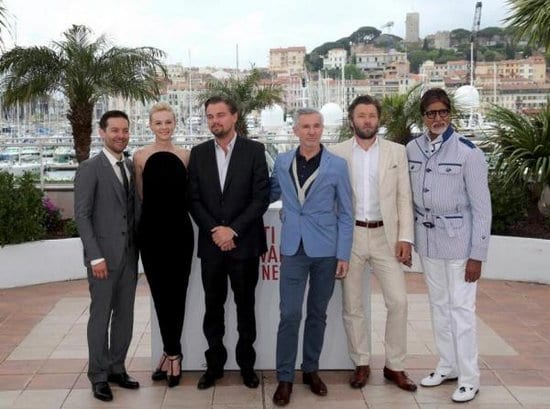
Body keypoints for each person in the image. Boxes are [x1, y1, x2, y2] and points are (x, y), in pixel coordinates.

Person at [406, 88, 491, 403]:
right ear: (423, 117)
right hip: (428, 244)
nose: (437, 118)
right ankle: (447, 365)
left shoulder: (468, 152)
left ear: (450, 113)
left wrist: (477, 255)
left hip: (459, 246)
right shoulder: (412, 149)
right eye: (431, 113)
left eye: (442, 112)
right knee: (438, 308)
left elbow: (482, 209)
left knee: (461, 312)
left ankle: (470, 378)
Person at [330, 95, 417, 392]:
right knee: (353, 305)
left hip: (386, 237)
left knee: (399, 302)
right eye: (361, 115)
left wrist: (405, 237)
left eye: (371, 115)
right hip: (350, 236)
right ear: (352, 120)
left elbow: (405, 198)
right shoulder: (337, 152)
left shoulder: (397, 152)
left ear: (379, 119)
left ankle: (395, 366)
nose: (367, 120)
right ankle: (361, 363)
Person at [270, 108, 353, 406]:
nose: (311, 131)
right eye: (305, 126)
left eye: (316, 126)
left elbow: (346, 213)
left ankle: (311, 370)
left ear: (322, 129)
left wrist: (343, 253)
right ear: (295, 131)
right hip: (293, 249)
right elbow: (269, 193)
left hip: (326, 252)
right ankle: (284, 377)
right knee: (289, 314)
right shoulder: (281, 162)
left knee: (318, 314)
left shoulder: (337, 166)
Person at [188, 95, 269, 390]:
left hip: (245, 245)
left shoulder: (255, 151)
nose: (215, 121)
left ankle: (247, 366)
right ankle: (214, 366)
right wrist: (216, 231)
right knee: (213, 309)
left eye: (220, 115)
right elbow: (193, 199)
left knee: (246, 308)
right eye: (210, 116)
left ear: (234, 116)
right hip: (212, 247)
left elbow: (261, 197)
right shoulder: (197, 154)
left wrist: (232, 230)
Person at [74, 110, 140, 402]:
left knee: (125, 316)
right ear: (102, 132)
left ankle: (117, 368)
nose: (120, 135)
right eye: (114, 130)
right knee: (100, 316)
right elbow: (82, 216)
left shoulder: (129, 165)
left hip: (129, 256)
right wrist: (94, 256)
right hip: (103, 258)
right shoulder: (91, 168)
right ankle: (98, 375)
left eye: (124, 130)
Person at [133, 102, 194, 387]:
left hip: (180, 233)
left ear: (175, 124)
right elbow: (142, 197)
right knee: (160, 295)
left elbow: (189, 196)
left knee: (177, 294)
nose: (164, 127)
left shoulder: (186, 155)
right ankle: (172, 353)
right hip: (152, 234)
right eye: (158, 123)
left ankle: (172, 355)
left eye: (168, 122)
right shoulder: (140, 156)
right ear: (150, 125)